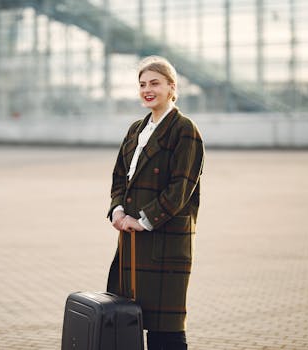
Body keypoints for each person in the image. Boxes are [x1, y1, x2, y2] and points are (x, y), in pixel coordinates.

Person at [106, 56, 204, 350]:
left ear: (172, 88)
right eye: (142, 84)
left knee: (166, 328)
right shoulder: (136, 129)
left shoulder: (185, 130)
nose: (147, 90)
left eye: (155, 83)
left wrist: (143, 220)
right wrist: (118, 209)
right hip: (132, 241)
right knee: (128, 321)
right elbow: (119, 175)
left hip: (165, 241)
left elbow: (181, 188)